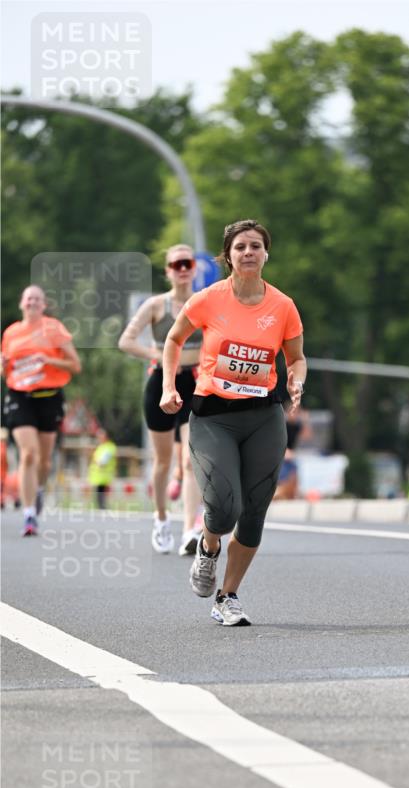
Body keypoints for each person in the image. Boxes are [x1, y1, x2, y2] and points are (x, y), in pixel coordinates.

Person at [160, 219, 306, 626]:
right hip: (214, 416)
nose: (248, 252)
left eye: (255, 246)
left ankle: (227, 597)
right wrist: (168, 387)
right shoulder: (208, 299)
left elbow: (295, 357)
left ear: (265, 254)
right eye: (240, 246)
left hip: (264, 416)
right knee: (224, 509)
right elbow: (173, 340)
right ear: (228, 255)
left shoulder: (282, 306)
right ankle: (208, 548)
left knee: (254, 511)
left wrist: (297, 378)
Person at [119, 244, 203, 555]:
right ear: (168, 270)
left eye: (187, 263)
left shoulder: (203, 302)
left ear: (194, 268)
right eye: (176, 264)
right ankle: (161, 518)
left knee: (191, 460)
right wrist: (157, 353)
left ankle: (189, 531)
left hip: (194, 382)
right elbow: (125, 340)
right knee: (164, 460)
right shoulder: (156, 305)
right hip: (161, 383)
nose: (182, 269)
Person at [1, 285, 82, 536]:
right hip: (19, 396)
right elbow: (5, 373)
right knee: (28, 454)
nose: (32, 302)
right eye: (28, 298)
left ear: (43, 305)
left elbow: (75, 365)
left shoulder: (53, 328)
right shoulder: (11, 332)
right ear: (21, 303)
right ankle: (28, 515)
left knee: (44, 461)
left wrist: (49, 360)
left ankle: (37, 490)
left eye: (37, 299)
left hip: (50, 397)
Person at [87, 427, 117, 509]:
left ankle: (103, 511)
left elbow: (102, 462)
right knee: (98, 499)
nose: (98, 437)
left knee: (101, 499)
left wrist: (96, 460)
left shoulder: (109, 447)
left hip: (103, 477)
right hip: (98, 478)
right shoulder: (101, 447)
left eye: (100, 435)